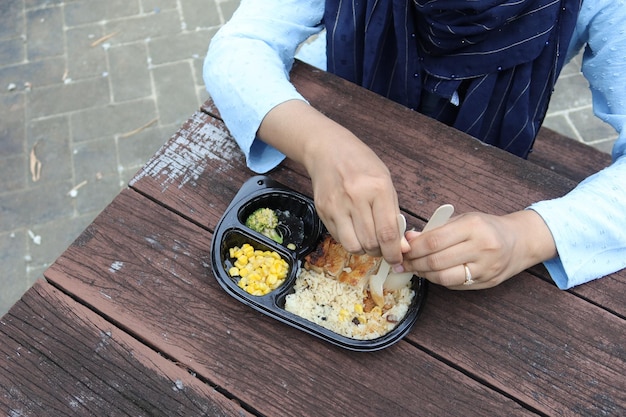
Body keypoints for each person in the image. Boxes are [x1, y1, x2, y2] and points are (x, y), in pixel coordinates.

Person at [204, 0, 626, 290]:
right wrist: (319, 143)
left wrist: (529, 235)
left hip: (482, 173)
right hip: (337, 110)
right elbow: (240, 47)